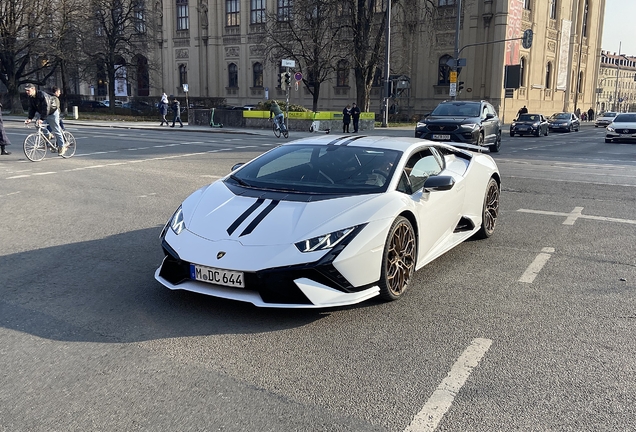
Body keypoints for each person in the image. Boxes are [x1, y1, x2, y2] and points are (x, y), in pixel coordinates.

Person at [24, 83, 66, 155]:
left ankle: (62, 146)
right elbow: (32, 108)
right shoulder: (31, 97)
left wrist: (42, 119)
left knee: (56, 129)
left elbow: (46, 107)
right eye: (26, 90)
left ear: (33, 89)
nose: (27, 92)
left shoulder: (42, 95)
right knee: (37, 125)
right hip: (43, 112)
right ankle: (48, 135)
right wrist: (30, 118)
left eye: (28, 90)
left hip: (52, 112)